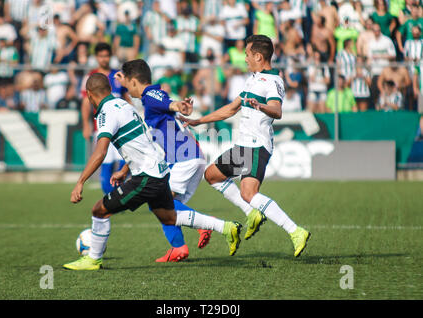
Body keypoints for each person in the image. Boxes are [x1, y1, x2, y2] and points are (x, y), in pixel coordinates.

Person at [62, 73, 242, 270]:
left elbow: (100, 151)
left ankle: (93, 259)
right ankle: (226, 227)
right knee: (169, 216)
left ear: (89, 95)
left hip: (146, 177)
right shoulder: (124, 105)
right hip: (160, 171)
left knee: (99, 210)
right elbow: (145, 141)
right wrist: (124, 169)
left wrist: (80, 182)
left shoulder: (107, 112)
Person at [180, 35, 311, 258]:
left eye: (248, 54)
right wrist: (199, 121)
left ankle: (295, 231)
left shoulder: (272, 81)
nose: (245, 58)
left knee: (249, 193)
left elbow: (277, 111)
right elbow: (231, 109)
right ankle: (252, 213)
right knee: (211, 175)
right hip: (243, 145)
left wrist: (260, 106)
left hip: (257, 146)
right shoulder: (253, 79)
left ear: (259, 56)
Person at [116, 59, 215, 262]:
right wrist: (126, 168)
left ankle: (203, 225)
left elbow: (168, 103)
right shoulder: (148, 98)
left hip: (183, 157)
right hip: (189, 156)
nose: (126, 89)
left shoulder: (150, 95)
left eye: (126, 83)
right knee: (165, 206)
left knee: (160, 204)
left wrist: (179, 105)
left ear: (134, 82)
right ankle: (179, 249)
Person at [80, 42, 132, 195]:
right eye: (101, 56)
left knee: (126, 162)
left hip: (121, 129)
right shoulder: (91, 77)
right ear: (96, 57)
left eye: (107, 55)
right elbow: (85, 102)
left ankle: (116, 196)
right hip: (103, 127)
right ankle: (110, 196)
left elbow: (125, 98)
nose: (104, 59)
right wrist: (86, 124)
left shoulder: (117, 75)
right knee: (106, 163)